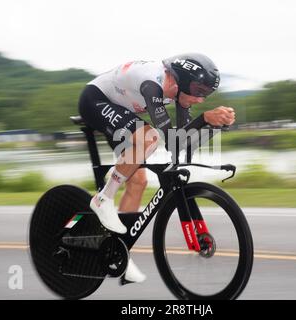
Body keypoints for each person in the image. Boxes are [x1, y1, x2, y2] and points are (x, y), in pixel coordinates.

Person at [78, 53, 235, 284]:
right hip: (95, 100)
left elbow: (181, 143)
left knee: (138, 182)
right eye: (198, 91)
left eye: (206, 93)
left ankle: (118, 249)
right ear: (180, 81)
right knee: (150, 138)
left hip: (121, 111)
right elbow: (170, 140)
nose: (201, 98)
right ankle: (103, 199)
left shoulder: (179, 93)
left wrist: (214, 127)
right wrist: (205, 118)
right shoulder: (153, 85)